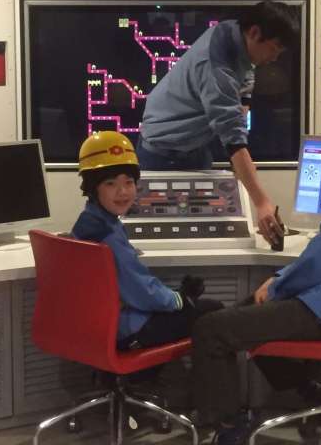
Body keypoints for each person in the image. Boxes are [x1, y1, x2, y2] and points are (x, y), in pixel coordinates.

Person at [190, 107, 321, 445]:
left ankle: (228, 427)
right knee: (246, 312)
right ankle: (309, 394)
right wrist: (281, 280)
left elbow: (318, 262)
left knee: (211, 328)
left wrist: (278, 283)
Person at [137, 1, 299, 245]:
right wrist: (262, 203)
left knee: (204, 239)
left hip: (196, 149)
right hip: (160, 154)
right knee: (159, 242)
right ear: (255, 32)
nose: (275, 58)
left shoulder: (234, 36)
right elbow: (233, 138)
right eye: (274, 49)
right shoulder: (216, 66)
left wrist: (242, 164)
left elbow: (245, 82)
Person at [71, 130, 222, 350]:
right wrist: (180, 299)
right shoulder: (107, 236)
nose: (123, 192)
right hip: (126, 329)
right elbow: (141, 291)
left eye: (129, 182)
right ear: (93, 187)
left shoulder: (88, 221)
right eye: (110, 184)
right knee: (214, 312)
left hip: (98, 324)